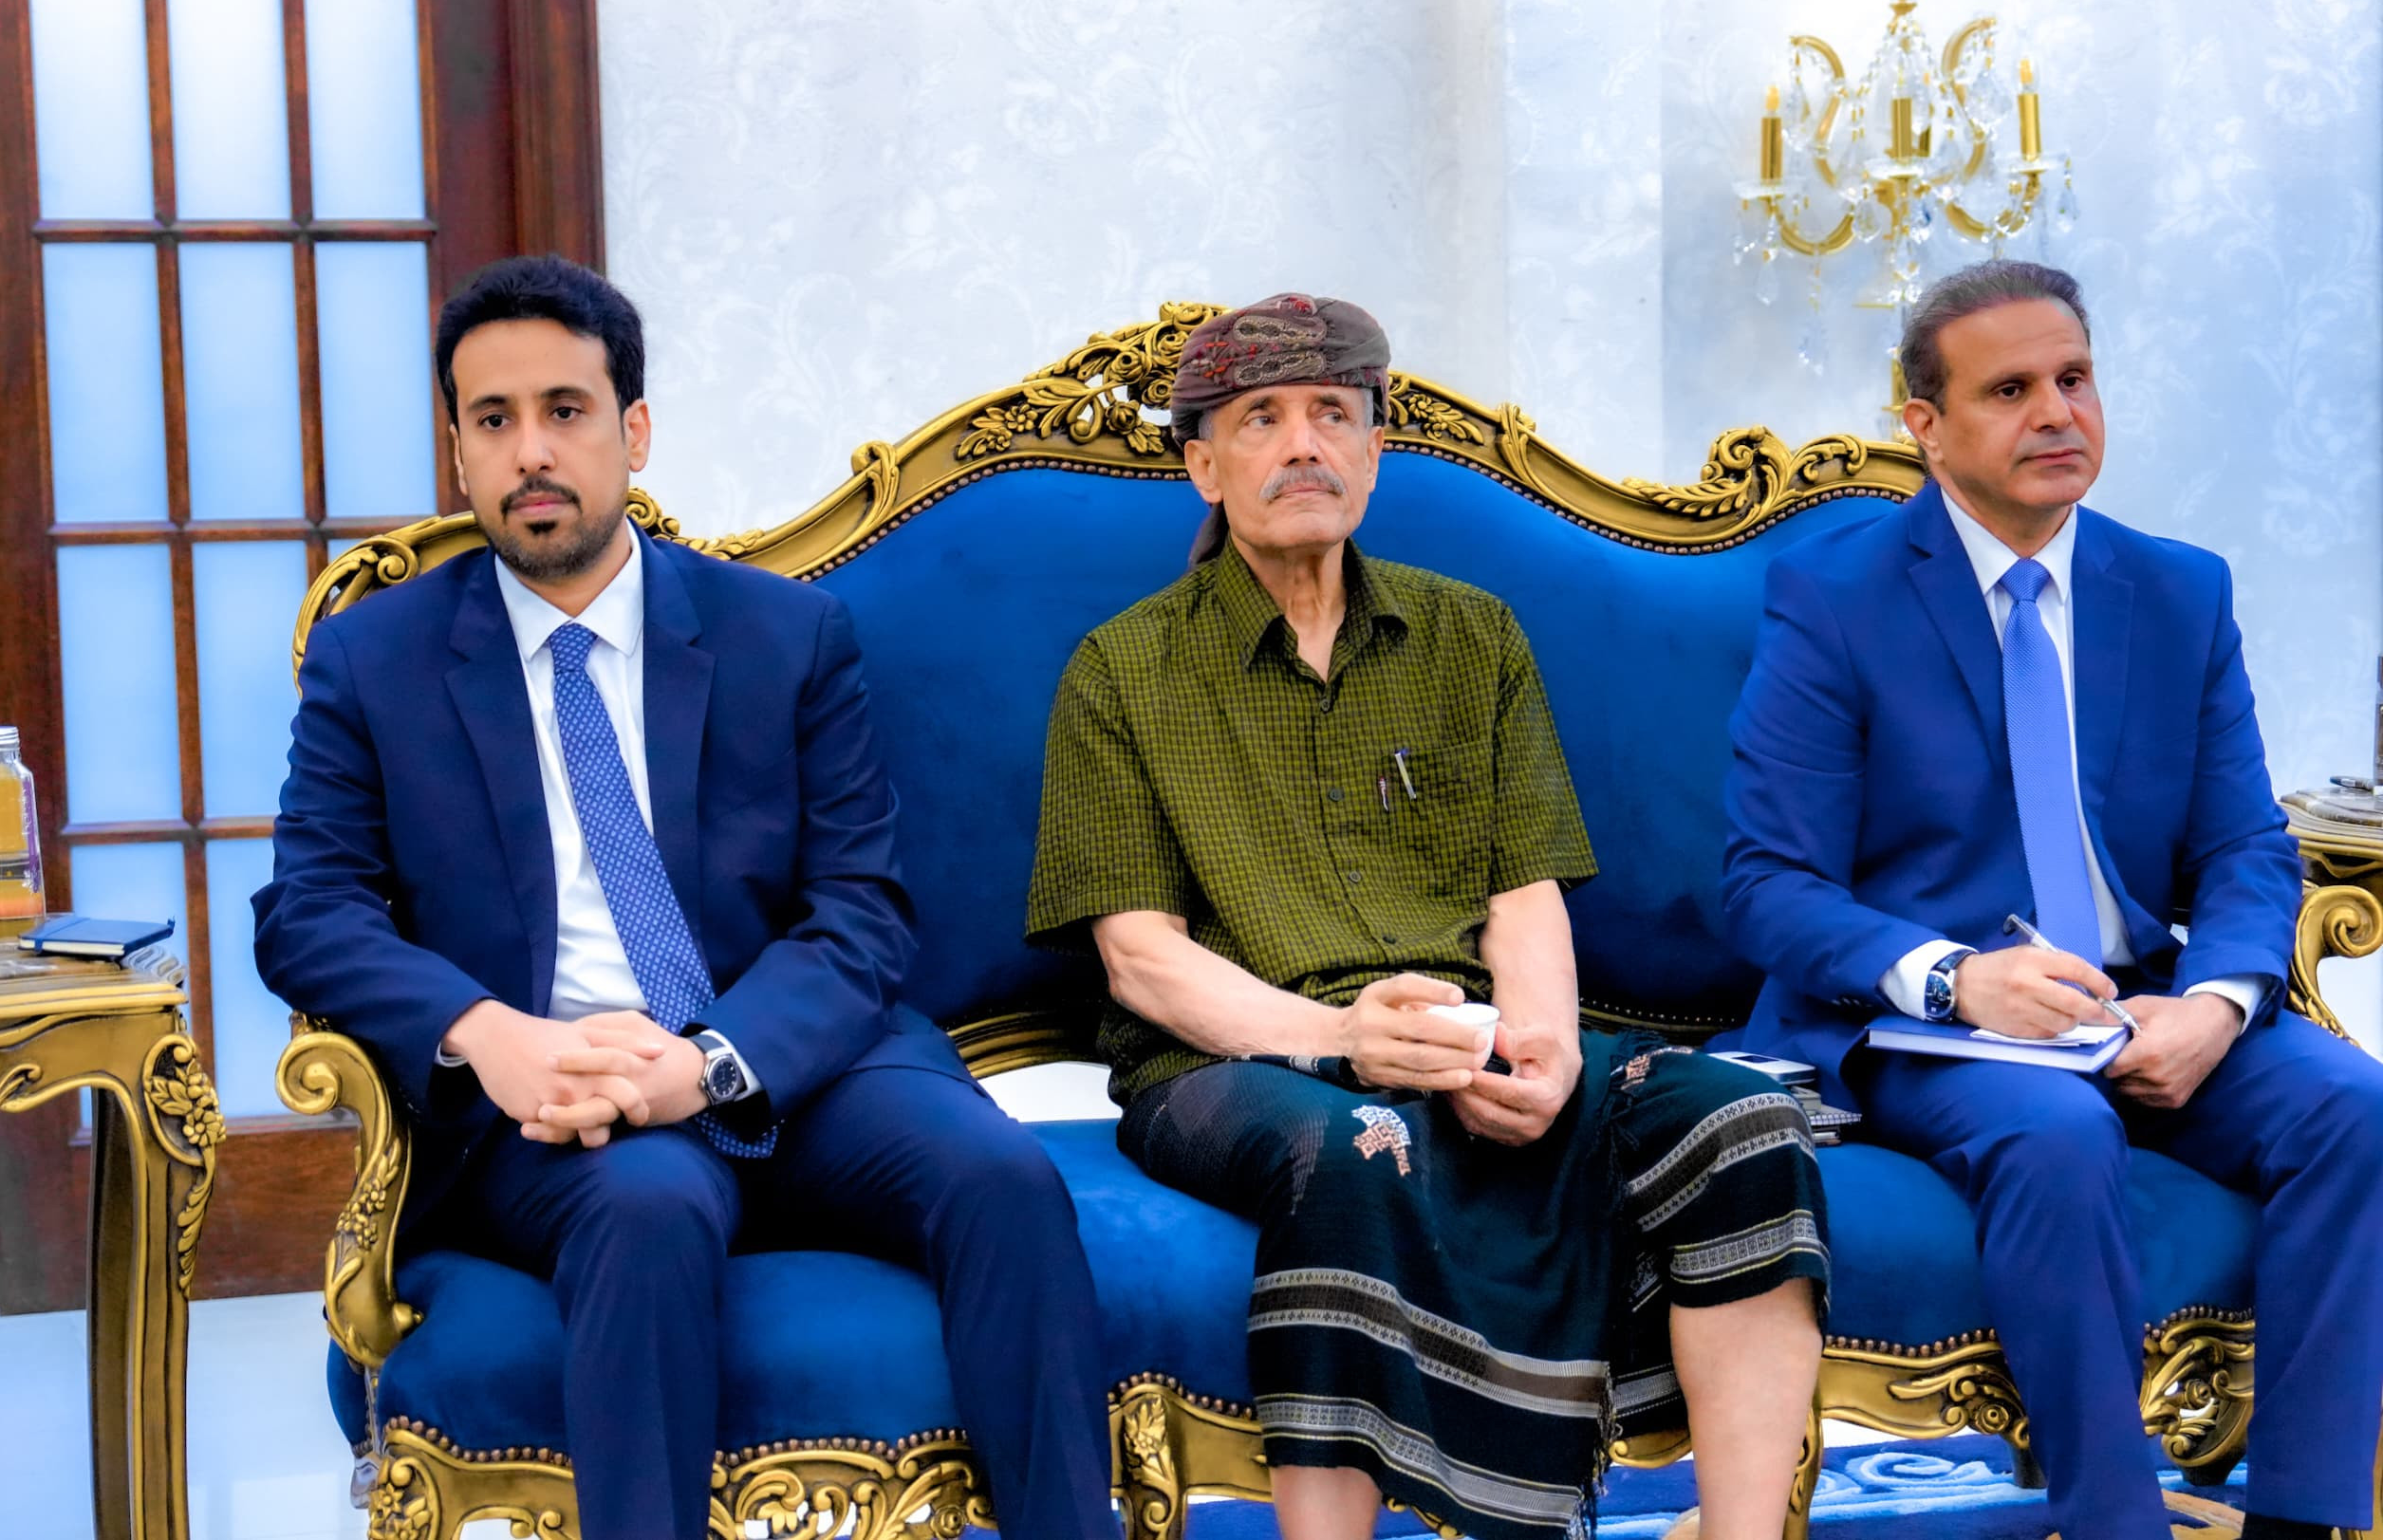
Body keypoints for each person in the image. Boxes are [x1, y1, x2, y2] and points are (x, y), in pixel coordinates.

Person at [254, 256, 1114, 1540]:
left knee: (1000, 1178)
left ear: (634, 430)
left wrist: (707, 1062)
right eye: (493, 420)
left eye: (566, 410)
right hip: (555, 1092)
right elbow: (308, 910)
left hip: (797, 1062)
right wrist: (492, 1036)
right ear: (459, 451)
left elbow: (861, 910)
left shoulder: (784, 635)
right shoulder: (376, 658)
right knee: (647, 1211)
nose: (532, 451)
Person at [1027, 292, 1830, 1540]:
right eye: (1262, 418)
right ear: (1203, 465)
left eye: (1334, 413)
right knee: (1360, 1145)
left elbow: (1524, 893)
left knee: (1742, 1121)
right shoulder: (1121, 671)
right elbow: (1141, 963)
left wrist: (1543, 1051)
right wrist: (1342, 1039)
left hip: (1467, 1034)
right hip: (1232, 1064)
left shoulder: (1473, 637)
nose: (1306, 444)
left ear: (1375, 449)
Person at [1722, 258, 2383, 1540]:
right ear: (1924, 424)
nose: (2057, 413)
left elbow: (2245, 846)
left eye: (2074, 379)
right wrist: (1958, 978)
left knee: (2354, 1109)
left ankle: (2307, 1520)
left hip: (2139, 1000)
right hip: (1930, 1021)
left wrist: (2216, 1002)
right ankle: (2109, 1515)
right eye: (2011, 389)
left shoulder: (2179, 590)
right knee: (2059, 1133)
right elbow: (1768, 884)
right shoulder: (1835, 600)